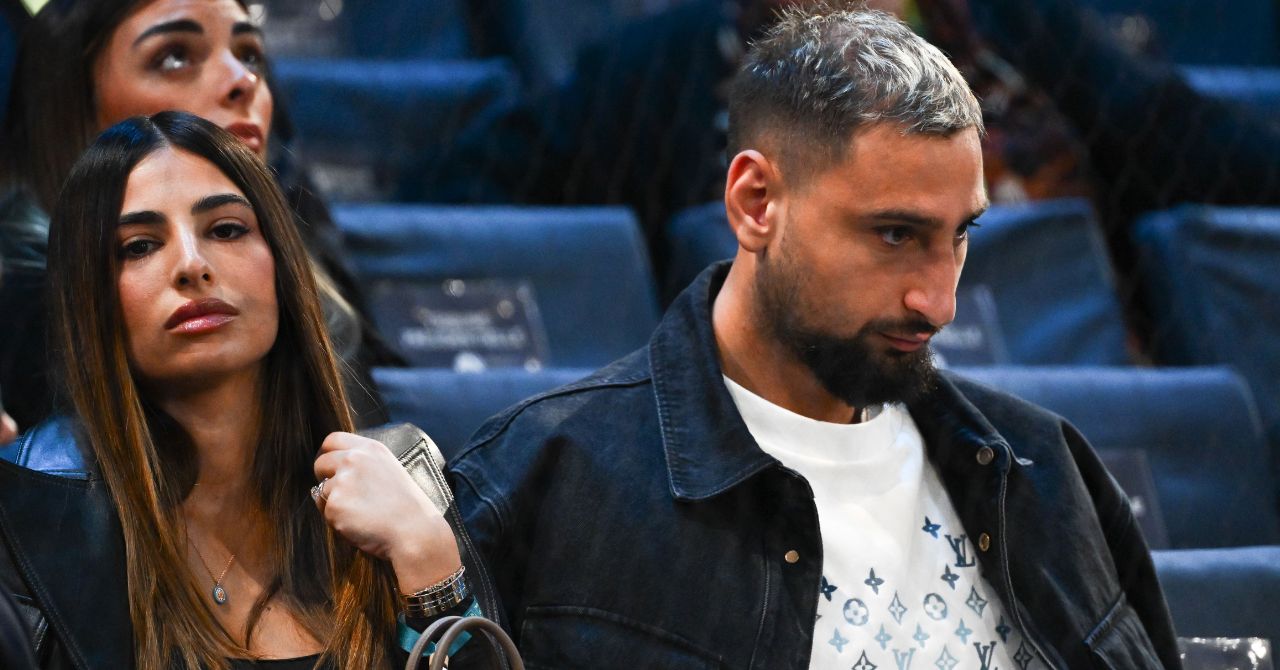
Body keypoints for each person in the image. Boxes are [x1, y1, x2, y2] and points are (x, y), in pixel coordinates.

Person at [447, 5, 1180, 668]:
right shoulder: (545, 481)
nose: (939, 303)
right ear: (756, 203)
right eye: (894, 235)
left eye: (959, 236)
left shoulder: (1044, 471)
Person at [0, 113, 472, 668]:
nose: (192, 265)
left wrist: (432, 573)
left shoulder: (403, 487)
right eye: (140, 246)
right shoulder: (27, 514)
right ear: (89, 297)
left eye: (226, 230)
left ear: (281, 264)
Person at [0, 0, 399, 434]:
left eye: (250, 55)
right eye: (174, 58)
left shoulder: (292, 254)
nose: (243, 80)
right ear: (74, 105)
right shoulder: (31, 291)